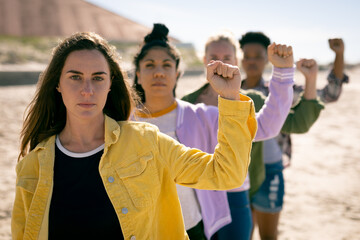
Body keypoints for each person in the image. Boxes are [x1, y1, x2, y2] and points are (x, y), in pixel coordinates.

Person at [11, 32, 258, 240]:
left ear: (110, 85)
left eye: (98, 78)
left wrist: (229, 98)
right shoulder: (32, 167)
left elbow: (227, 174)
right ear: (58, 84)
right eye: (75, 77)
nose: (87, 90)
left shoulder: (146, 141)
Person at [133, 24, 295, 240]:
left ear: (177, 72)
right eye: (150, 65)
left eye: (166, 65)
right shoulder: (125, 123)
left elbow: (267, 126)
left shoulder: (199, 114)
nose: (159, 72)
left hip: (223, 201)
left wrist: (283, 73)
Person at [182, 31, 325, 240]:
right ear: (204, 60)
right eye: (214, 58)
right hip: (197, 196)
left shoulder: (250, 101)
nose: (220, 64)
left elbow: (275, 122)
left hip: (244, 189)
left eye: (227, 58)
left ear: (236, 61)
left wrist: (286, 71)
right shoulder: (188, 102)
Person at [238, 32, 348, 240]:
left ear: (268, 59)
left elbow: (330, 94)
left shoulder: (278, 90)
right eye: (247, 56)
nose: (251, 61)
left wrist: (338, 56)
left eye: (258, 56)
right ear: (240, 59)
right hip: (237, 171)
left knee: (268, 235)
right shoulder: (230, 91)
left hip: (270, 168)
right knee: (244, 233)